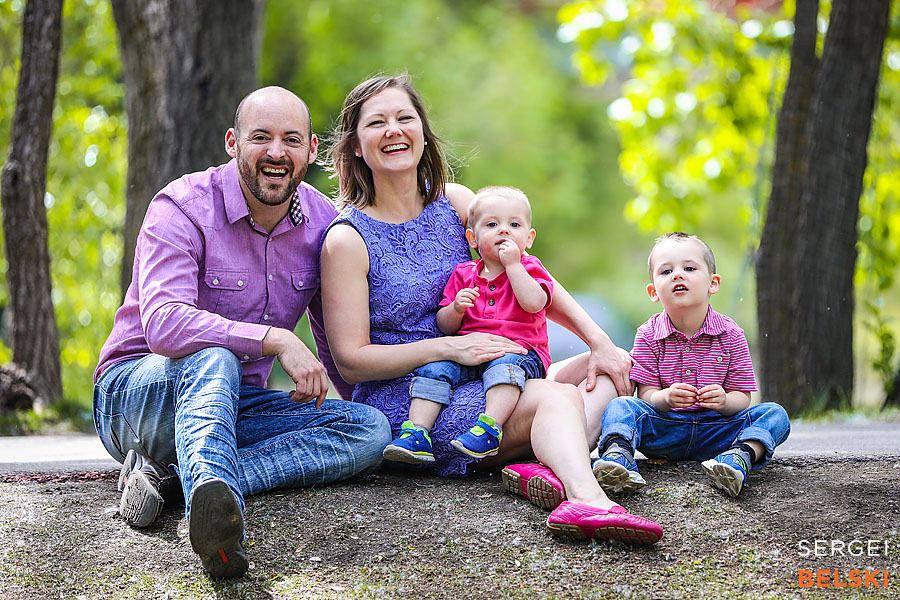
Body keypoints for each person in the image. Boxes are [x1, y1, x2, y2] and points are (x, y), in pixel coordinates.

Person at [320, 73, 663, 544]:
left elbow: (525, 273)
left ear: (422, 130)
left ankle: (534, 465)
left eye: (405, 117)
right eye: (376, 123)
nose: (394, 130)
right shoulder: (346, 239)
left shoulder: (457, 203)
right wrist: (448, 349)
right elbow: (351, 362)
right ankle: (587, 500)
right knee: (556, 397)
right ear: (357, 146)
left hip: (490, 368)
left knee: (609, 369)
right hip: (416, 397)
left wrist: (598, 342)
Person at [93, 86, 392, 578]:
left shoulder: (324, 225)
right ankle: (213, 527)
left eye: (291, 140)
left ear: (311, 150)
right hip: (136, 396)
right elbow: (165, 326)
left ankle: (180, 482)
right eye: (262, 137)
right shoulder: (182, 206)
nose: (277, 152)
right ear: (233, 142)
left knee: (368, 429)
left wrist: (396, 418)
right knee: (215, 357)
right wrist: (273, 339)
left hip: (233, 409)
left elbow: (333, 348)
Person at [592, 232, 790, 497]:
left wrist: (724, 401)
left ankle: (738, 458)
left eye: (689, 268)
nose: (677, 275)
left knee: (775, 414)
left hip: (718, 431)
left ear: (713, 283)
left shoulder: (731, 335)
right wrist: (665, 397)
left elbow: (743, 397)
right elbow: (646, 394)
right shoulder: (648, 334)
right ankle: (618, 457)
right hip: (667, 429)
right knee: (621, 406)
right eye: (666, 271)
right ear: (653, 291)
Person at [383, 186, 553, 464]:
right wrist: (456, 308)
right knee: (434, 368)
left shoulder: (530, 267)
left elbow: (535, 303)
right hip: (468, 352)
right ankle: (416, 433)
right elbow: (445, 326)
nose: (504, 231)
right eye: (492, 224)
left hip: (519, 351)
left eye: (514, 225)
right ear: (472, 238)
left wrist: (514, 266)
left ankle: (489, 428)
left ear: (529, 237)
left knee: (505, 369)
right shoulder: (464, 275)